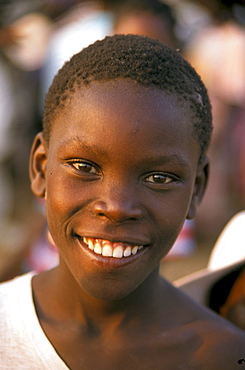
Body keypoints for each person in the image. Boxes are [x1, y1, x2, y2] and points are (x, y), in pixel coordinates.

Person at [0, 34, 244, 369]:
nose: (116, 206)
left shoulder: (225, 357)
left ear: (197, 189)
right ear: (41, 168)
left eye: (159, 178)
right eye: (85, 167)